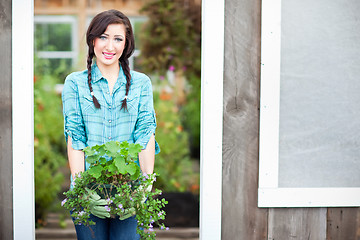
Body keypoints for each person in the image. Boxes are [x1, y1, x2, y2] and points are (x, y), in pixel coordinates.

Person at [61, 9, 160, 240]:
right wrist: (81, 188)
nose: (110, 46)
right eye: (103, 37)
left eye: (118, 39)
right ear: (92, 39)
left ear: (126, 45)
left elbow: (145, 133)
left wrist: (143, 190)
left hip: (129, 189)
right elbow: (75, 136)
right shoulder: (75, 83)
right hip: (90, 187)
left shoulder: (141, 84)